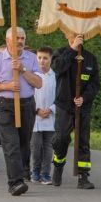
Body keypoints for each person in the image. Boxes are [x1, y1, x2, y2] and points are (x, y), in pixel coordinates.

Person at [0, 27, 42, 196]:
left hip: (27, 104)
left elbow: (38, 83)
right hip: (6, 105)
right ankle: (15, 183)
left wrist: (23, 70)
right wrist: (6, 86)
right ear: (8, 40)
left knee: (24, 143)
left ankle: (22, 172)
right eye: (17, 38)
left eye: (23, 38)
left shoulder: (31, 58)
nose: (20, 41)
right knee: (11, 144)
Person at [51, 33, 100, 189]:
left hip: (82, 107)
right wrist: (72, 50)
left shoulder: (90, 58)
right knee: (61, 138)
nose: (77, 38)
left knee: (83, 140)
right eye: (74, 36)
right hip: (64, 105)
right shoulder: (60, 53)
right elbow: (58, 68)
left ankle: (83, 175)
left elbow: (94, 84)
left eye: (80, 36)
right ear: (68, 37)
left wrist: (84, 98)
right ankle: (58, 164)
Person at [30, 46, 56, 185]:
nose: (42, 61)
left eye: (45, 58)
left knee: (48, 147)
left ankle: (45, 174)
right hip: (35, 116)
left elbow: (60, 96)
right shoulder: (32, 75)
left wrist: (51, 109)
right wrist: (37, 110)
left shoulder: (55, 77)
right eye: (39, 58)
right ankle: (35, 171)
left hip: (50, 117)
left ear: (51, 59)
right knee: (35, 146)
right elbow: (28, 95)